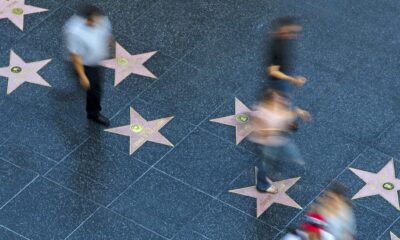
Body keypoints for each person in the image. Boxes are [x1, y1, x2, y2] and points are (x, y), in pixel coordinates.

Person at [249, 90, 311, 193]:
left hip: (279, 138)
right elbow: (259, 131)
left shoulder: (278, 106)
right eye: (276, 99)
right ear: (268, 101)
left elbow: (285, 115)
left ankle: (295, 158)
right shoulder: (261, 113)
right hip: (267, 143)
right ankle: (262, 185)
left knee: (288, 147)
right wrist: (275, 130)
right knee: (265, 163)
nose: (280, 100)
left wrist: (299, 112)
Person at [64, 5, 113, 126]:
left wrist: (111, 47)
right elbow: (75, 56)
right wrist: (83, 76)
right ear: (86, 19)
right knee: (95, 90)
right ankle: (93, 113)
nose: (98, 22)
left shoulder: (103, 21)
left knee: (91, 86)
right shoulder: (74, 31)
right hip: (87, 63)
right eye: (93, 20)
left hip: (96, 59)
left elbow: (108, 36)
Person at [266, 17, 306, 130]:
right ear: (283, 30)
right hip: (278, 82)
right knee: (281, 101)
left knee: (283, 100)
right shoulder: (278, 48)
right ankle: (275, 125)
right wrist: (293, 80)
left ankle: (281, 119)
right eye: (292, 32)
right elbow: (272, 71)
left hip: (281, 80)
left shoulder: (280, 40)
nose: (295, 35)